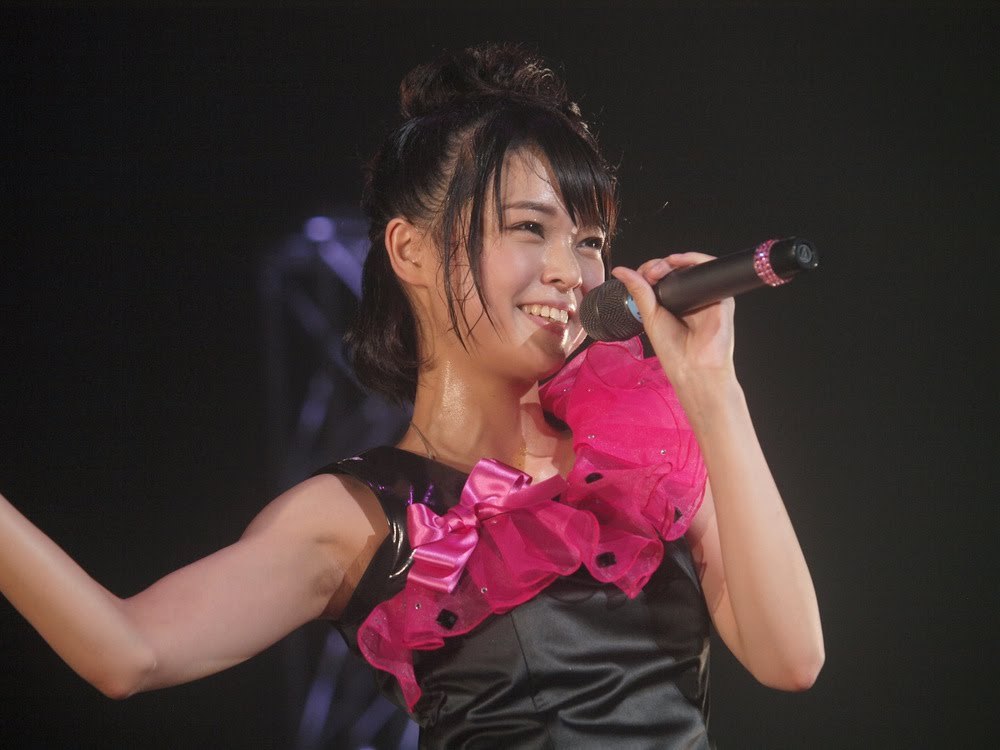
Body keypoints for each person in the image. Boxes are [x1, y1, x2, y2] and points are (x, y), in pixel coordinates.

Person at [0, 43, 822, 748]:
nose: (572, 272)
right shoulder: (361, 519)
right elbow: (127, 651)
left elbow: (792, 658)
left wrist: (714, 390)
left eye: (590, 240)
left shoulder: (644, 446)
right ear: (411, 250)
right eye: (529, 228)